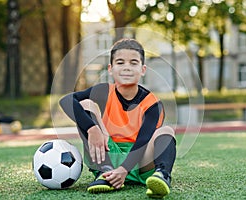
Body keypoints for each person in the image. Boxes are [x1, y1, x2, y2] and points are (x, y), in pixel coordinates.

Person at [59, 38, 176, 198]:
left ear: (142, 69)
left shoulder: (153, 104)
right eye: (120, 63)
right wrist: (92, 129)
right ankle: (105, 172)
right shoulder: (104, 91)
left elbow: (143, 141)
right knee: (86, 104)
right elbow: (66, 100)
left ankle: (162, 175)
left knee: (167, 130)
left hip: (140, 161)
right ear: (110, 69)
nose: (127, 67)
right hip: (107, 154)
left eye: (133, 63)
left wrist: (124, 169)